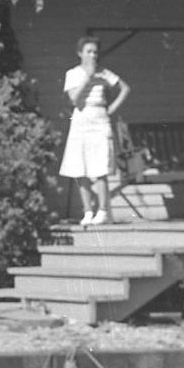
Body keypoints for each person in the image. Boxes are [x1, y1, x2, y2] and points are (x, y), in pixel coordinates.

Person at [60, 36, 130, 227]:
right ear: (80, 53)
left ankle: (103, 211)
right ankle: (88, 211)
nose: (92, 55)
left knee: (100, 168)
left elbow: (125, 88)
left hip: (100, 119)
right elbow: (74, 99)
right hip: (81, 119)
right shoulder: (73, 74)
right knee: (80, 168)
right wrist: (88, 77)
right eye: (88, 51)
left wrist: (111, 109)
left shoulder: (105, 73)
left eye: (95, 52)